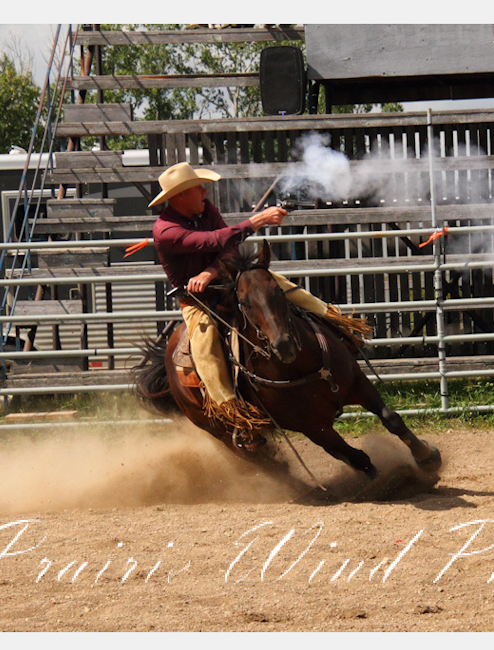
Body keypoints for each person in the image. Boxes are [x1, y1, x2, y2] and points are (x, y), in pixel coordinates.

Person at [149, 162, 367, 443]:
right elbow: (211, 240)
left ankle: (344, 329)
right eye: (197, 188)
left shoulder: (205, 210)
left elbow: (228, 248)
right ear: (181, 195)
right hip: (198, 301)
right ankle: (231, 410)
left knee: (293, 292)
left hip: (231, 281)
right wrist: (258, 220)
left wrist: (209, 273)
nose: (204, 191)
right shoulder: (165, 230)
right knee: (206, 346)